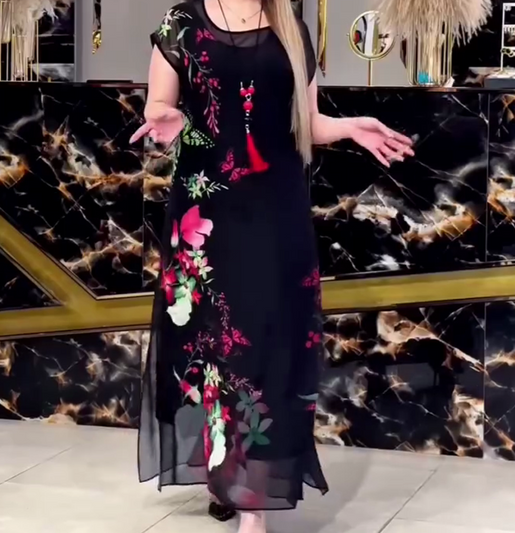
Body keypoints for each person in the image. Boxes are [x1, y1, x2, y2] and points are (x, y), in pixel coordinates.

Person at [131, 0, 413, 531]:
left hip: (275, 212)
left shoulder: (291, 28)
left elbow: (306, 123)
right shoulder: (181, 23)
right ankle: (224, 470)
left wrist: (350, 127)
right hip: (206, 214)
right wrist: (168, 118)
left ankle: (254, 506)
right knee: (212, 346)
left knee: (268, 344)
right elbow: (159, 106)